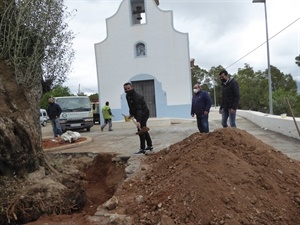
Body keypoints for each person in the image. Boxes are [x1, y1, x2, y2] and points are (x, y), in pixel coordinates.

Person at [123, 82, 153, 154]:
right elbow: (131, 106)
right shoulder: (127, 96)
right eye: (125, 89)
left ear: (132, 88)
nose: (127, 90)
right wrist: (131, 114)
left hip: (144, 113)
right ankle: (150, 146)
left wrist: (138, 121)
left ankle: (142, 148)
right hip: (138, 113)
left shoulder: (137, 97)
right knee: (143, 129)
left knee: (141, 130)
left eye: (128, 88)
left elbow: (139, 109)